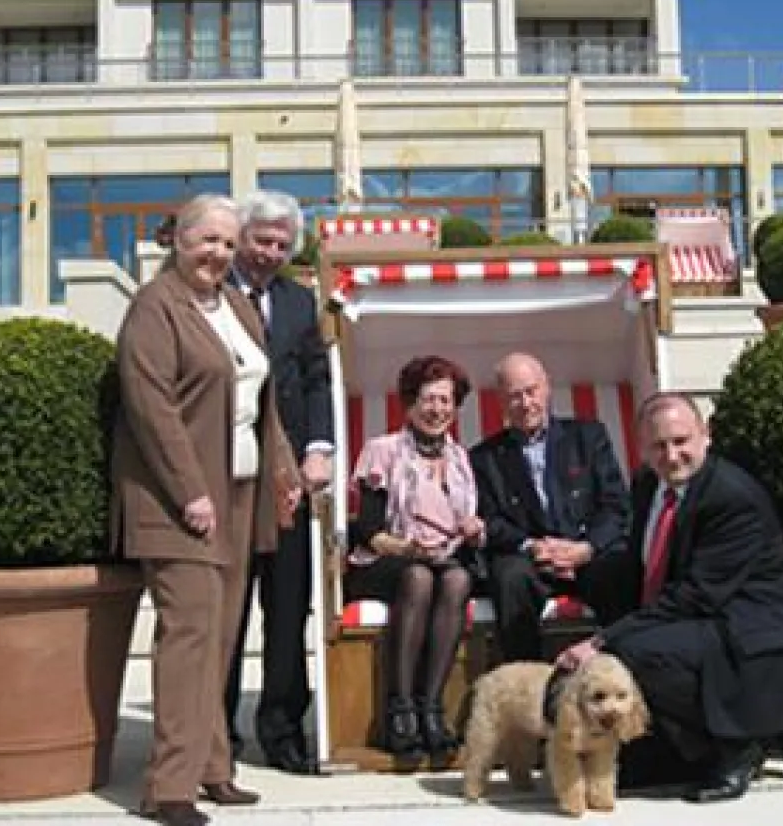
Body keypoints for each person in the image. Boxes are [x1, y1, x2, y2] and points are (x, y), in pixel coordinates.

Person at [110, 193, 301, 826]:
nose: (217, 254)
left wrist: (284, 470)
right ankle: (169, 787)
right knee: (189, 638)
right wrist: (189, 490)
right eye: (207, 241)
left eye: (227, 243)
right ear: (179, 240)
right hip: (176, 502)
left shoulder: (238, 306)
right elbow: (151, 410)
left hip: (238, 495)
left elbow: (261, 399)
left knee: (221, 639)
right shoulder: (153, 309)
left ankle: (213, 769)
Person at [556, 392, 783, 804]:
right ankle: (674, 751)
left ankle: (739, 745)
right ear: (642, 449)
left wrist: (602, 640)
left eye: (681, 441)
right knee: (607, 580)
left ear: (706, 436)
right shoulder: (647, 484)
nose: (672, 455)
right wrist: (576, 570)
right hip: (695, 614)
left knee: (635, 651)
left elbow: (695, 595)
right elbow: (643, 558)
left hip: (743, 630)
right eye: (659, 446)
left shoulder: (732, 498)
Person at [222, 190, 334, 776]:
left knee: (288, 610)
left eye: (282, 244)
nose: (271, 253)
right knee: (228, 612)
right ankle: (218, 735)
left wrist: (320, 450)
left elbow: (318, 378)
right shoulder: (209, 295)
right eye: (262, 241)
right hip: (230, 481)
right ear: (241, 239)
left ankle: (284, 730)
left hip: (291, 483)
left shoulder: (298, 300)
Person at [345, 355, 485, 763]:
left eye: (445, 401)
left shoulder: (461, 460)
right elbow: (367, 532)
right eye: (428, 399)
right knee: (420, 577)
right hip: (382, 561)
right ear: (409, 402)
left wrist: (473, 528)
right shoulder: (383, 450)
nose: (437, 410)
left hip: (443, 560)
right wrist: (410, 550)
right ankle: (400, 710)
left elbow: (464, 529)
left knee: (456, 580)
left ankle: (432, 709)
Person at [468, 352, 631, 663]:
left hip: (586, 551)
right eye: (515, 396)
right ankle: (527, 677)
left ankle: (621, 669)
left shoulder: (588, 436)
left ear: (547, 388)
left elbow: (615, 505)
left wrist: (586, 548)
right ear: (501, 401)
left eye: (531, 391)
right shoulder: (484, 458)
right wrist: (532, 547)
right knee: (510, 577)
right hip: (529, 558)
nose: (526, 403)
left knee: (618, 569)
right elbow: (491, 520)